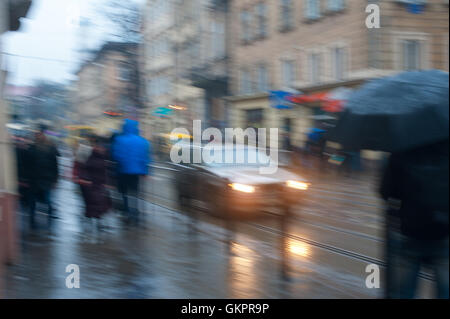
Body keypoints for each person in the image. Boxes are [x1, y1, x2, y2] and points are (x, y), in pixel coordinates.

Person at [380, 139, 449, 299]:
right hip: (445, 233)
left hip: (408, 231)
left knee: (401, 293)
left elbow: (385, 192)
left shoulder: (403, 146)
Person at [112, 119, 151, 225]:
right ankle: (135, 214)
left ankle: (127, 212)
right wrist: (146, 171)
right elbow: (146, 157)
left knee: (124, 193)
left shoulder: (120, 140)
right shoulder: (143, 141)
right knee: (135, 193)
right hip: (137, 172)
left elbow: (116, 155)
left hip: (123, 171)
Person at [75, 135, 111, 230]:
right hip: (92, 183)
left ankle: (95, 221)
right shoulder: (91, 156)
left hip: (96, 183)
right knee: (94, 203)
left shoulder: (100, 156)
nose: (101, 149)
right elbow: (85, 168)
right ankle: (93, 222)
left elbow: (104, 171)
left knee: (97, 203)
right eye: (99, 147)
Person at [28, 125, 60, 229]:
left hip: (46, 178)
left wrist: (55, 179)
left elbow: (55, 165)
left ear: (43, 134)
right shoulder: (32, 147)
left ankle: (50, 219)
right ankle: (32, 221)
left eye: (38, 133)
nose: (37, 135)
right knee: (33, 201)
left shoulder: (50, 148)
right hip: (34, 178)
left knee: (47, 200)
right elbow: (27, 163)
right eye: (36, 134)